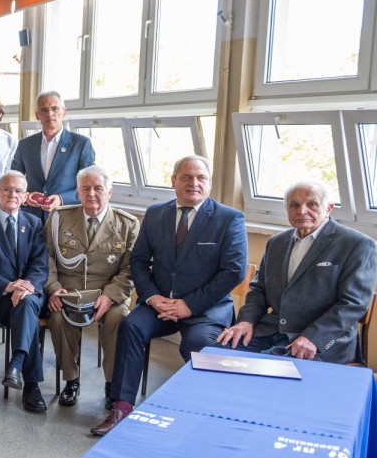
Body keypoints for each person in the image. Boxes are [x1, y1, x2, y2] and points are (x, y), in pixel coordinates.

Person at [92, 156, 247, 436]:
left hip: (204, 308)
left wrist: (190, 305)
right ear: (174, 181)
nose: (193, 183)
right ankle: (122, 406)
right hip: (159, 303)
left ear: (209, 183)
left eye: (201, 178)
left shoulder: (228, 219)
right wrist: (152, 297)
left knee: (200, 344)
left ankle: (201, 416)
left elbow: (233, 271)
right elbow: (139, 261)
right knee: (131, 326)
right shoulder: (155, 214)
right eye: (186, 177)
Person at [216, 180, 376, 364]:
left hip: (322, 339)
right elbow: (259, 290)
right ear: (286, 208)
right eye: (294, 205)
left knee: (266, 369)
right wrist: (246, 321)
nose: (302, 211)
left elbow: (353, 304)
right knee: (218, 353)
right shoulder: (276, 243)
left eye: (312, 204)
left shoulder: (357, 245)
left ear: (329, 208)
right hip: (271, 331)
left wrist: (313, 337)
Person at [42, 165, 138, 408]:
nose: (91, 194)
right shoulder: (59, 218)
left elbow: (131, 269)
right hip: (68, 291)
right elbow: (45, 257)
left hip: (108, 292)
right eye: (85, 188)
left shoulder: (127, 224)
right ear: (78, 192)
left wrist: (110, 296)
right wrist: (53, 287)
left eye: (98, 188)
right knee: (58, 318)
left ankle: (112, 384)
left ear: (109, 192)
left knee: (118, 319)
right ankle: (71, 380)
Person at [0, 170, 48, 413]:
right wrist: (8, 285)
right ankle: (30, 384)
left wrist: (25, 287)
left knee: (26, 304)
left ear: (25, 197)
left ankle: (17, 366)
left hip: (28, 294)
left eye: (18, 191)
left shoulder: (34, 224)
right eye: (7, 189)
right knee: (28, 312)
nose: (13, 194)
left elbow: (40, 266)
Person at [10, 91, 94, 220]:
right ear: (37, 115)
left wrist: (61, 199)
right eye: (44, 110)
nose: (50, 114)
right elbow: (13, 180)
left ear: (64, 112)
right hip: (31, 218)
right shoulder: (24, 145)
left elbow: (89, 185)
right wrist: (25, 196)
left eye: (55, 108)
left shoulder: (81, 144)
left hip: (66, 217)